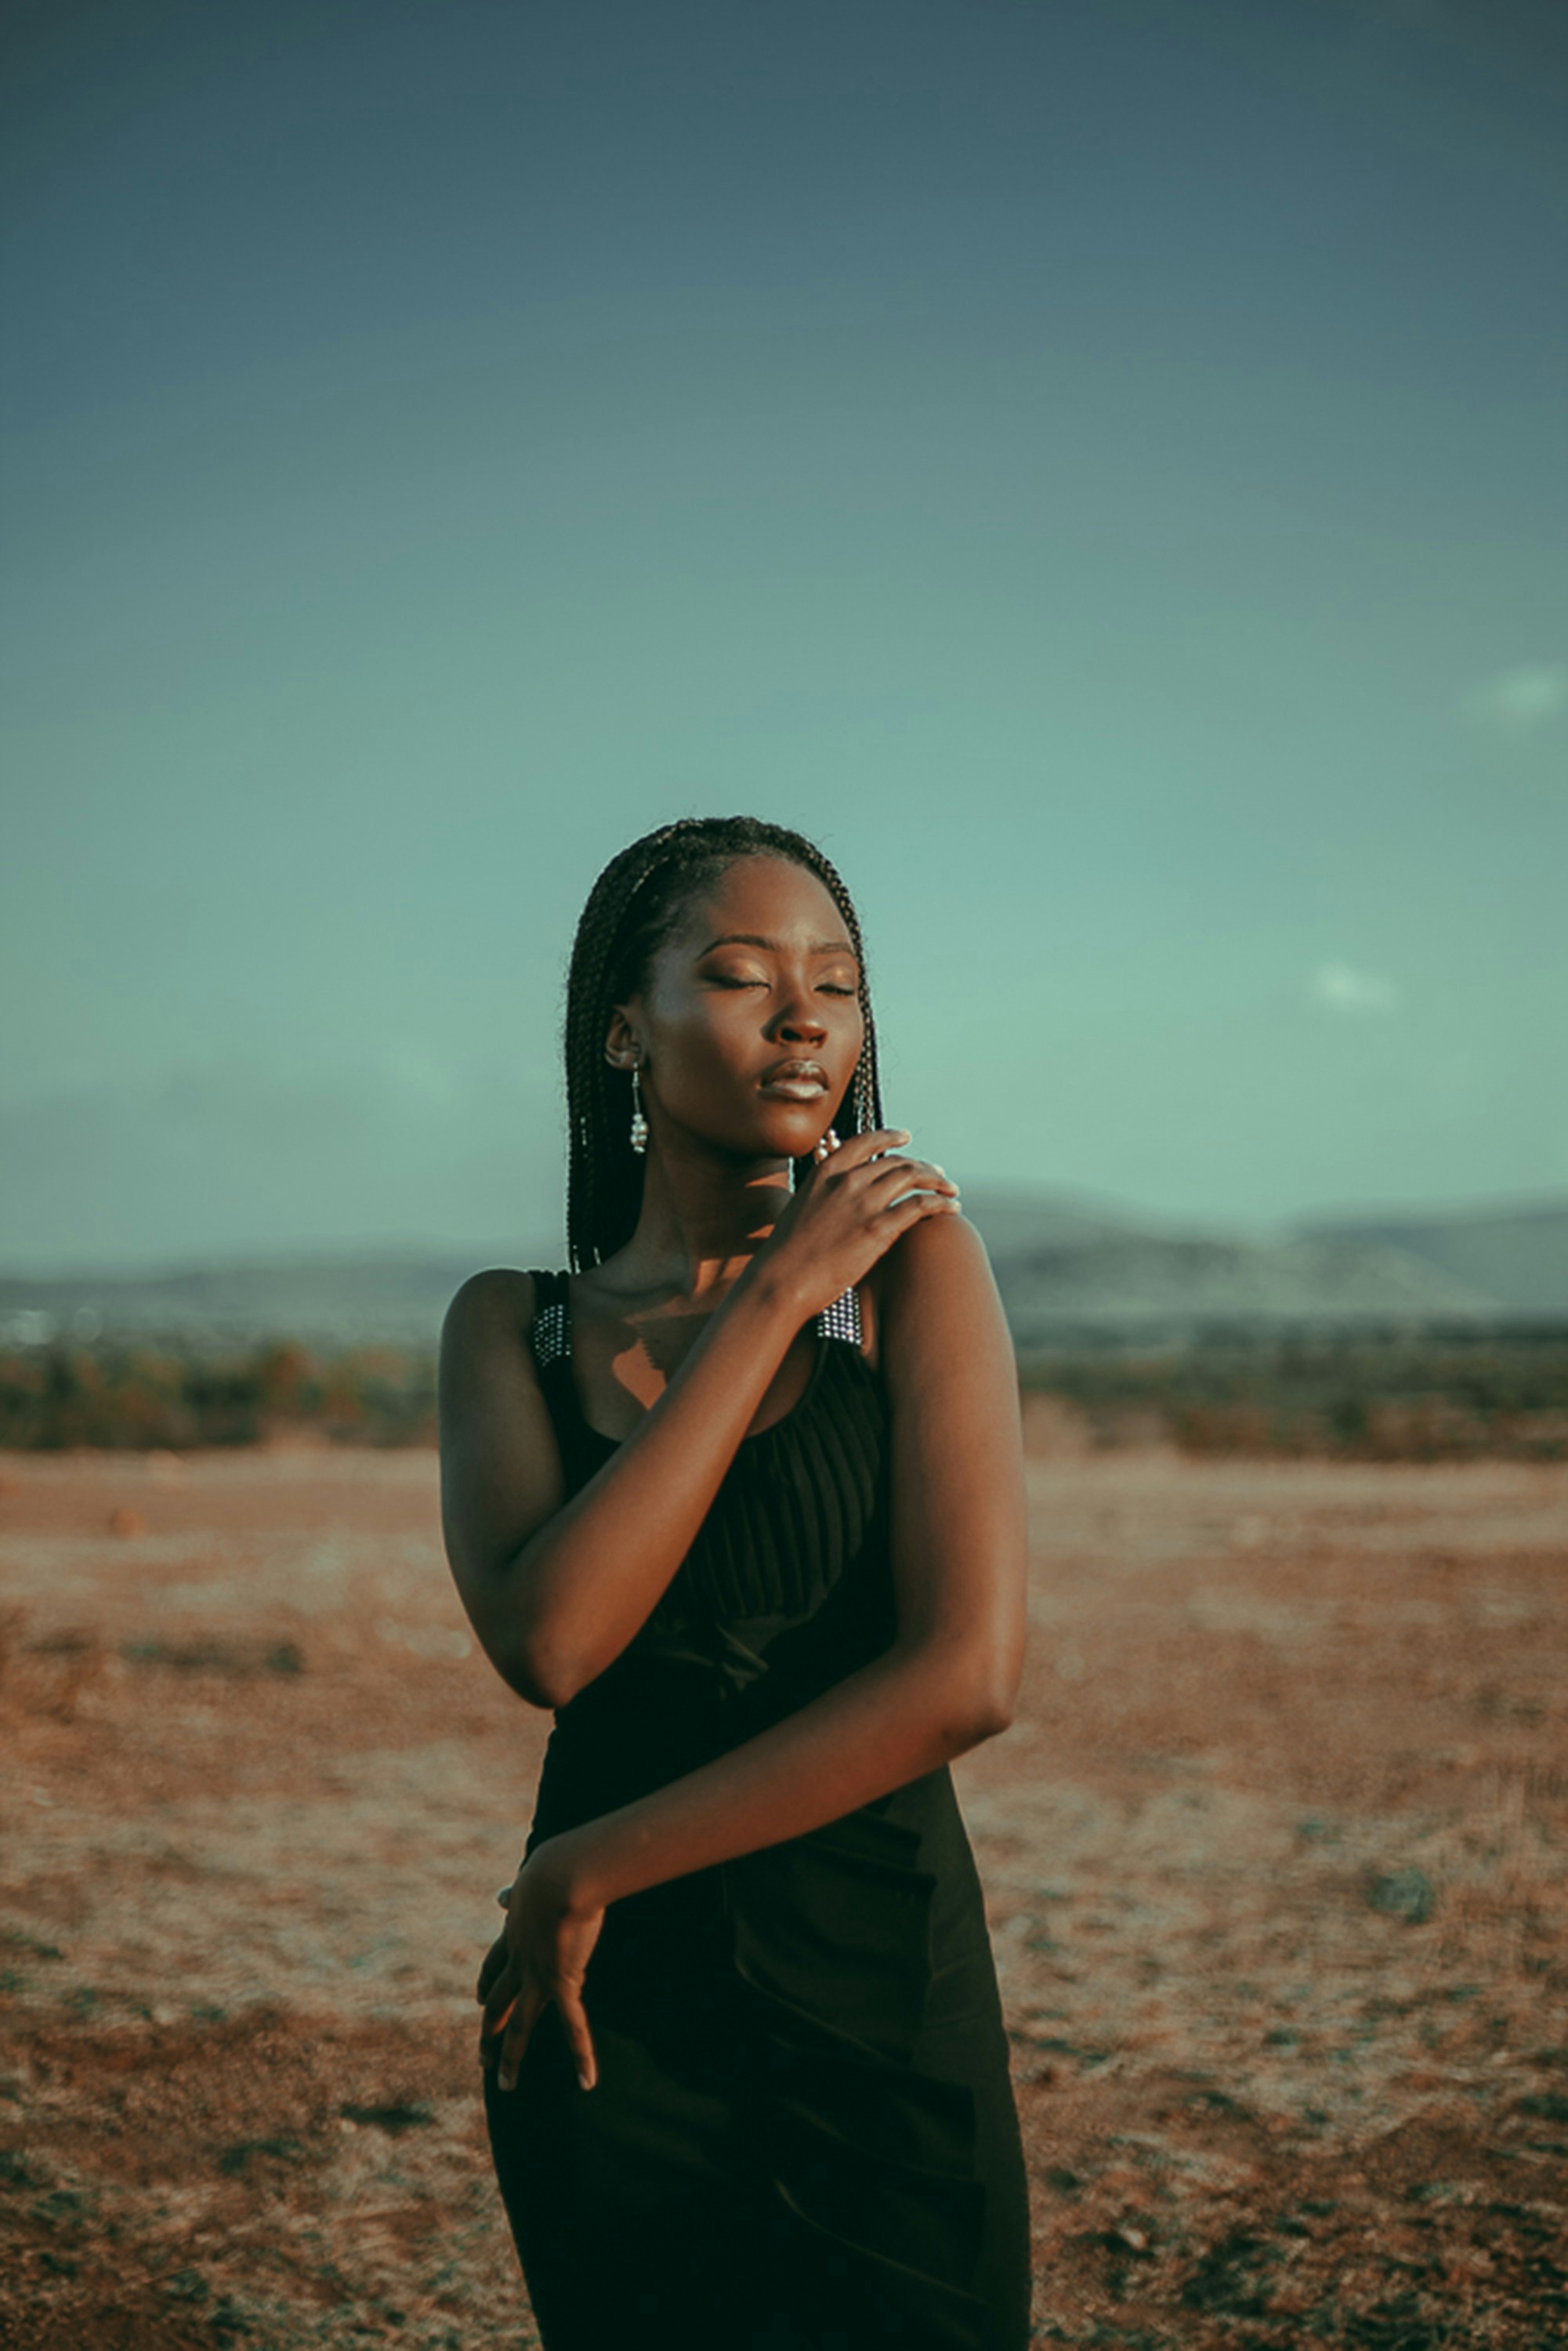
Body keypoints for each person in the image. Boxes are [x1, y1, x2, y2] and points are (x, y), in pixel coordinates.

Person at [438, 815, 1032, 2349]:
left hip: (880, 2000)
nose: (801, 1021)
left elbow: (964, 1676)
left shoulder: (916, 1275)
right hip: (611, 2031)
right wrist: (770, 1296)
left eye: (833, 986)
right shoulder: (517, 1331)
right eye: (741, 976)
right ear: (623, 1030)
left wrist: (594, 1865)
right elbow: (554, 1641)